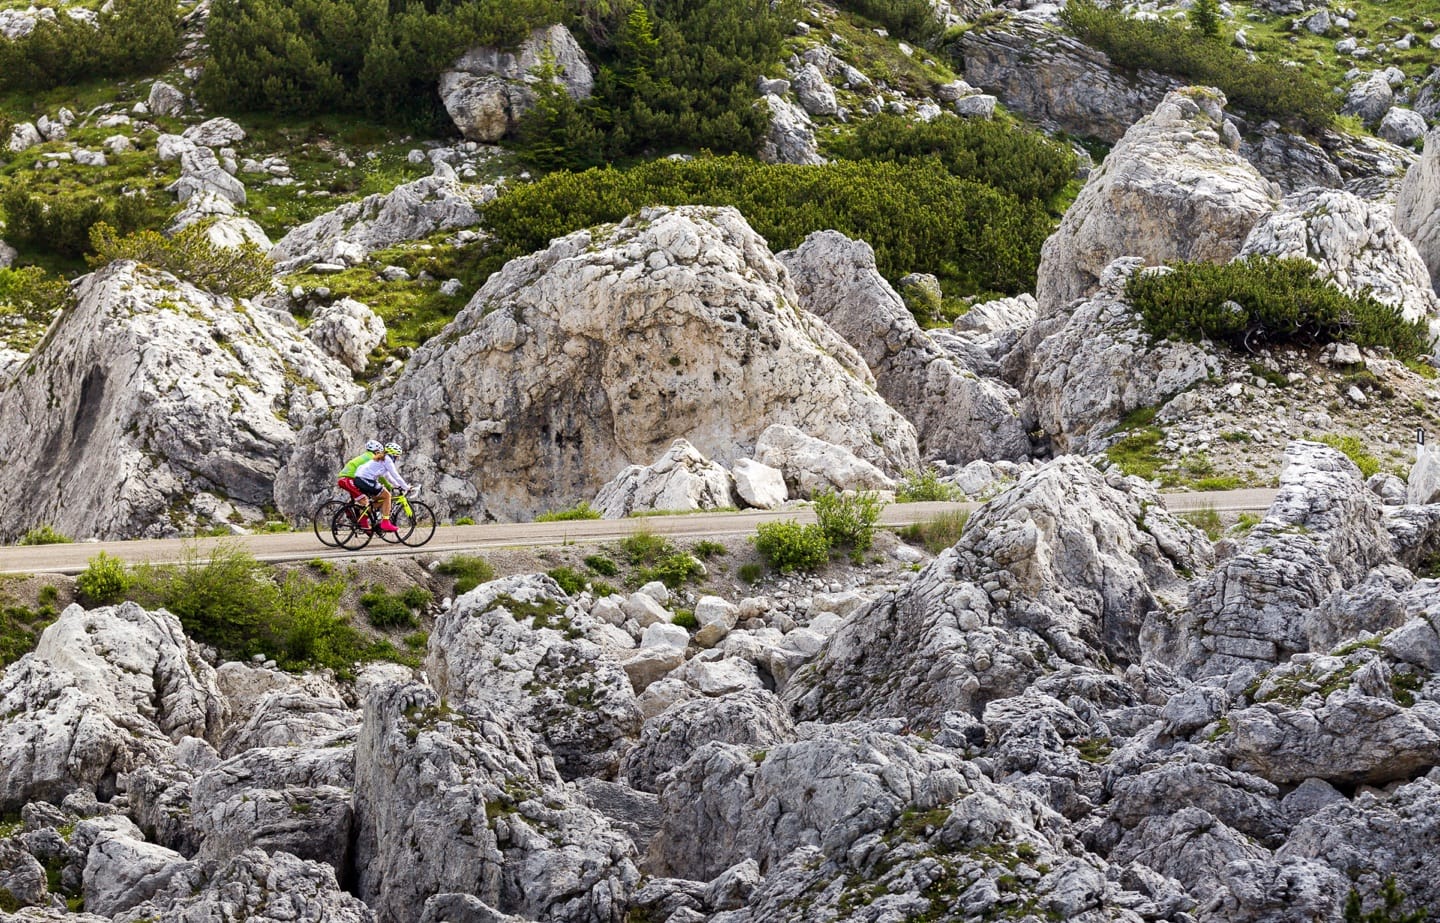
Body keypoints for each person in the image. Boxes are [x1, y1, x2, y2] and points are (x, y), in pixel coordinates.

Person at [353, 441, 411, 533]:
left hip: (360, 479)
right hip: (365, 479)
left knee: (380, 500)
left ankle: (363, 518)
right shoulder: (387, 459)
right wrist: (406, 487)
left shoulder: (382, 459)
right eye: (397, 456)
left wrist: (398, 486)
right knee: (387, 496)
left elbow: (388, 476)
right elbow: (395, 475)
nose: (398, 458)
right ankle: (385, 523)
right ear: (393, 455)